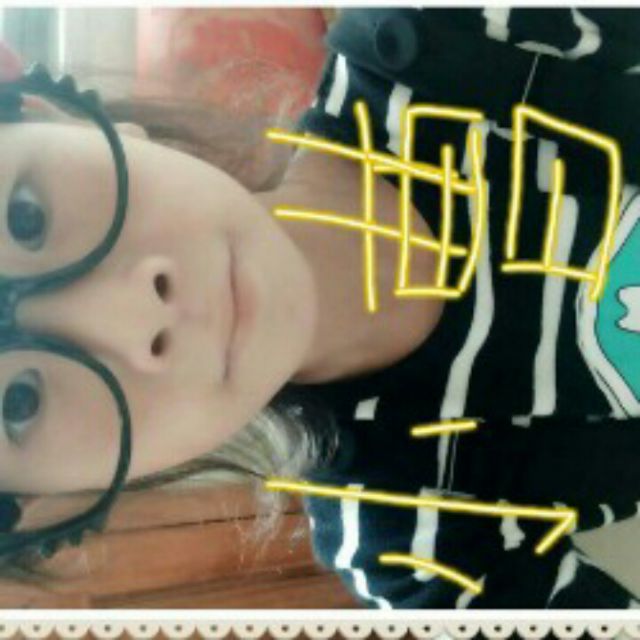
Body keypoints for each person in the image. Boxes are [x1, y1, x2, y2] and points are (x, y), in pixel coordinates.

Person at [1, 7, 640, 608]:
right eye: (18, 402)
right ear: (52, 504)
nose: (137, 319)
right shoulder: (413, 545)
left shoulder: (448, 30)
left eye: (25, 218)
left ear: (54, 113)